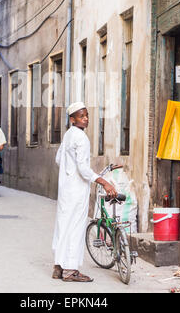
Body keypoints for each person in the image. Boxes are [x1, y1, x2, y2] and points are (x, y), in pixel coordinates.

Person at [52, 102, 118, 282]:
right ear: (73, 119)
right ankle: (70, 270)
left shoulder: (68, 135)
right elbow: (82, 168)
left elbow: (59, 159)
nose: (86, 119)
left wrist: (69, 172)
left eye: (87, 115)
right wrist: (103, 181)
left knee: (63, 226)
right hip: (76, 190)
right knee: (75, 227)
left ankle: (58, 267)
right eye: (82, 116)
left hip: (66, 189)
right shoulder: (81, 138)